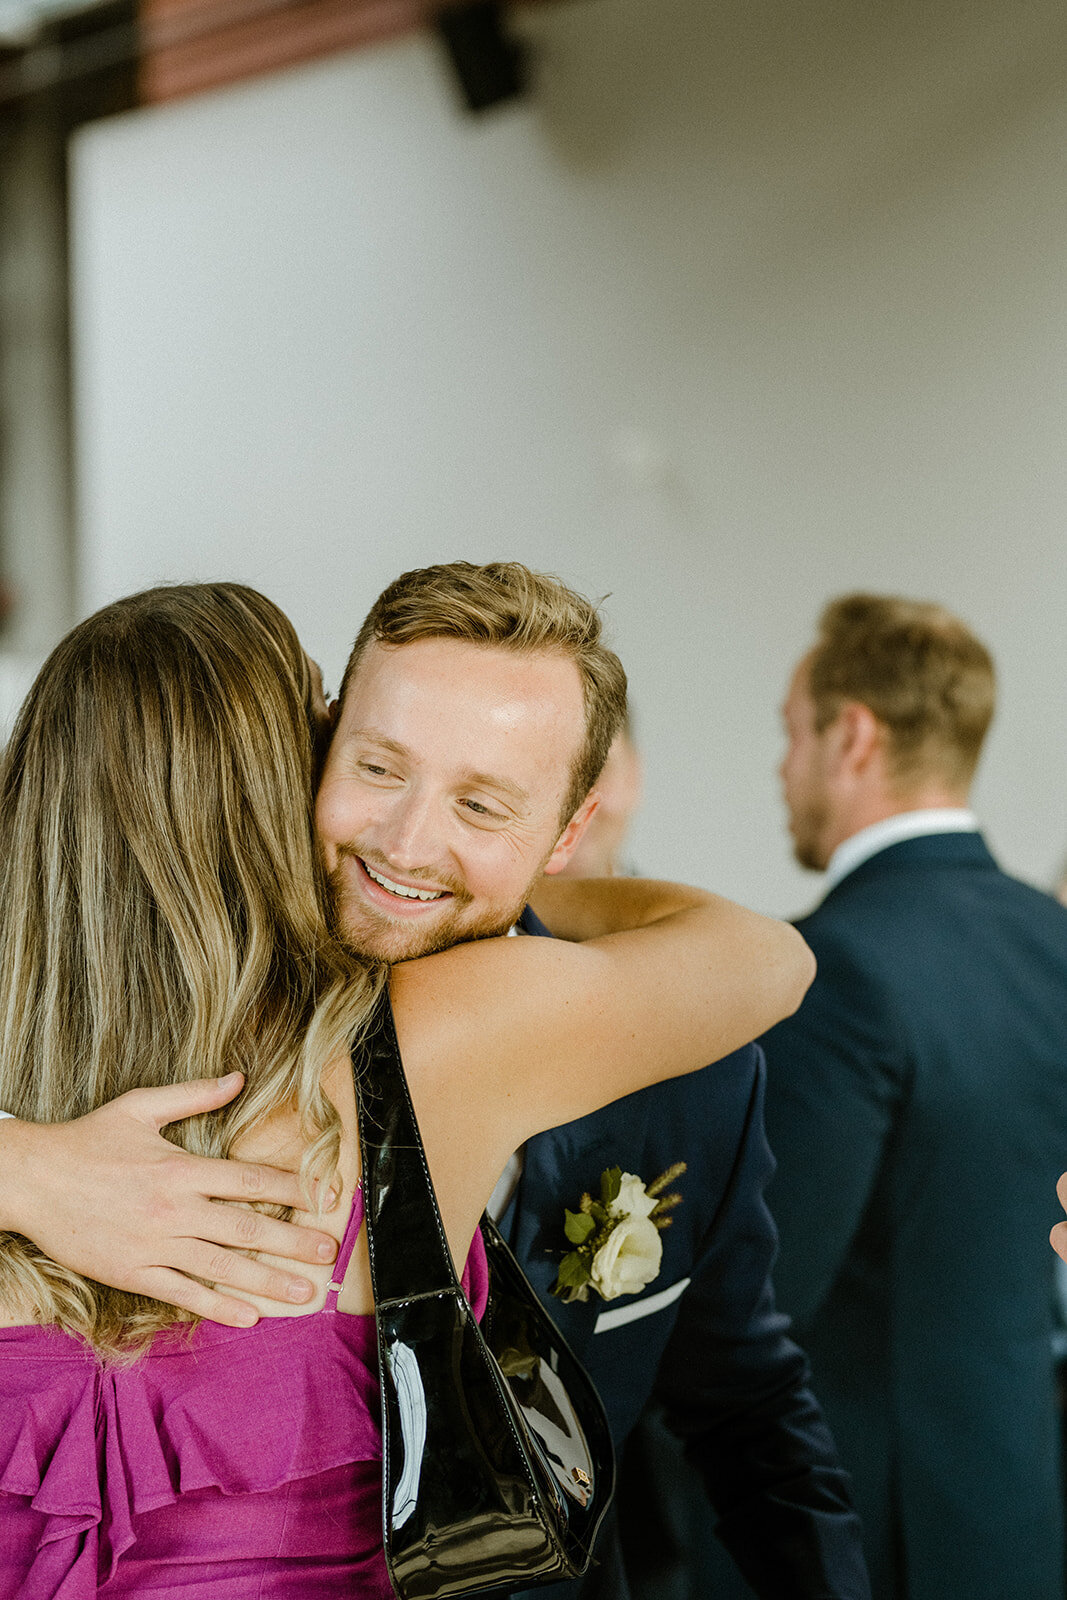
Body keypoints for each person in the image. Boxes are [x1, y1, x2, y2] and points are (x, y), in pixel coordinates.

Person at [0, 564, 867, 1599]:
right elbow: (768, 957)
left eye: (478, 803)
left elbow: (748, 1413)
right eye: (357, 757)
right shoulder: (418, 1050)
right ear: (286, 780)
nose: (408, 843)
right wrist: (520, 858)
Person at [752, 593, 1067, 1600]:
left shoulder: (830, 962)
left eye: (789, 733)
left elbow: (767, 1290)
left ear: (851, 736)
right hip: (1013, 1505)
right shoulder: (1048, 942)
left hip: (863, 1530)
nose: (780, 768)